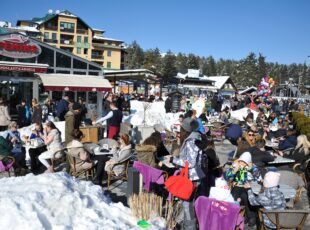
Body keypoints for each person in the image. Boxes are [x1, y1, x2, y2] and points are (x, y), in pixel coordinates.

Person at [168, 117, 205, 229]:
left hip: (191, 178)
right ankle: (188, 225)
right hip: (194, 176)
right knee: (189, 203)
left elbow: (191, 162)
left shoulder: (191, 141)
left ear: (185, 129)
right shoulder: (195, 138)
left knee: (187, 204)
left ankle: (190, 227)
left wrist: (173, 160)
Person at [225, 152, 261, 226]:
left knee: (247, 197)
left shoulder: (252, 167)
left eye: (244, 162)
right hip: (237, 185)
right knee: (234, 197)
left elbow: (258, 177)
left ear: (247, 162)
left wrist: (253, 174)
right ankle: (233, 216)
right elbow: (227, 177)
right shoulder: (235, 165)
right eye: (240, 161)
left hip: (247, 186)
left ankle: (250, 217)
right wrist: (234, 171)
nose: (241, 163)